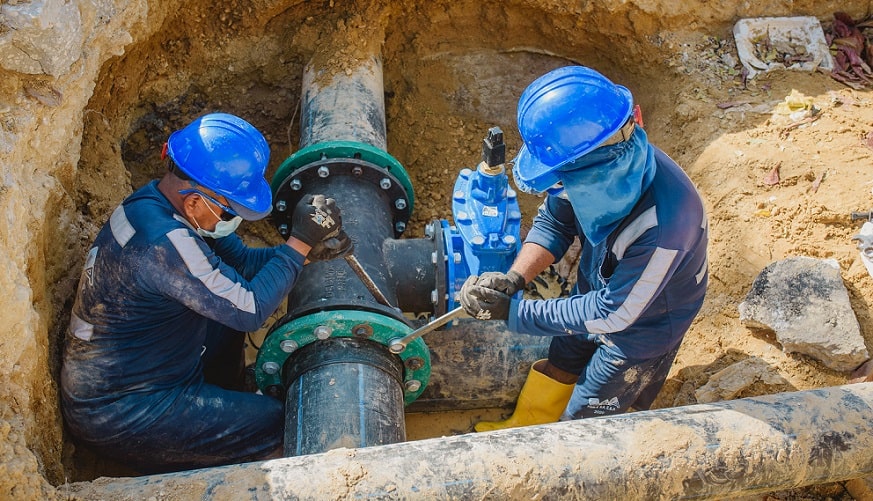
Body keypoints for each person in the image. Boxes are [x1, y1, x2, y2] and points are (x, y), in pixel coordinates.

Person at [60, 112, 350, 473]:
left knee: (224, 315)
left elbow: (242, 264)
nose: (232, 219)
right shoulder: (163, 245)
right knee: (282, 419)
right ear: (195, 201)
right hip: (123, 410)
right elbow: (249, 308)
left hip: (143, 362)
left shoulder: (160, 203)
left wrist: (303, 254)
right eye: (229, 210)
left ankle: (229, 394)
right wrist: (298, 242)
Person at [459, 66, 709, 431]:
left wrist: (515, 313)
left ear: (592, 171)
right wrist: (514, 279)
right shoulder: (596, 172)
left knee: (585, 422)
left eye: (560, 183)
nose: (557, 192)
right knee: (562, 357)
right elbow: (554, 223)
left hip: (643, 329)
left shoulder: (668, 223)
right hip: (596, 293)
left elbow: (614, 316)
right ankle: (525, 423)